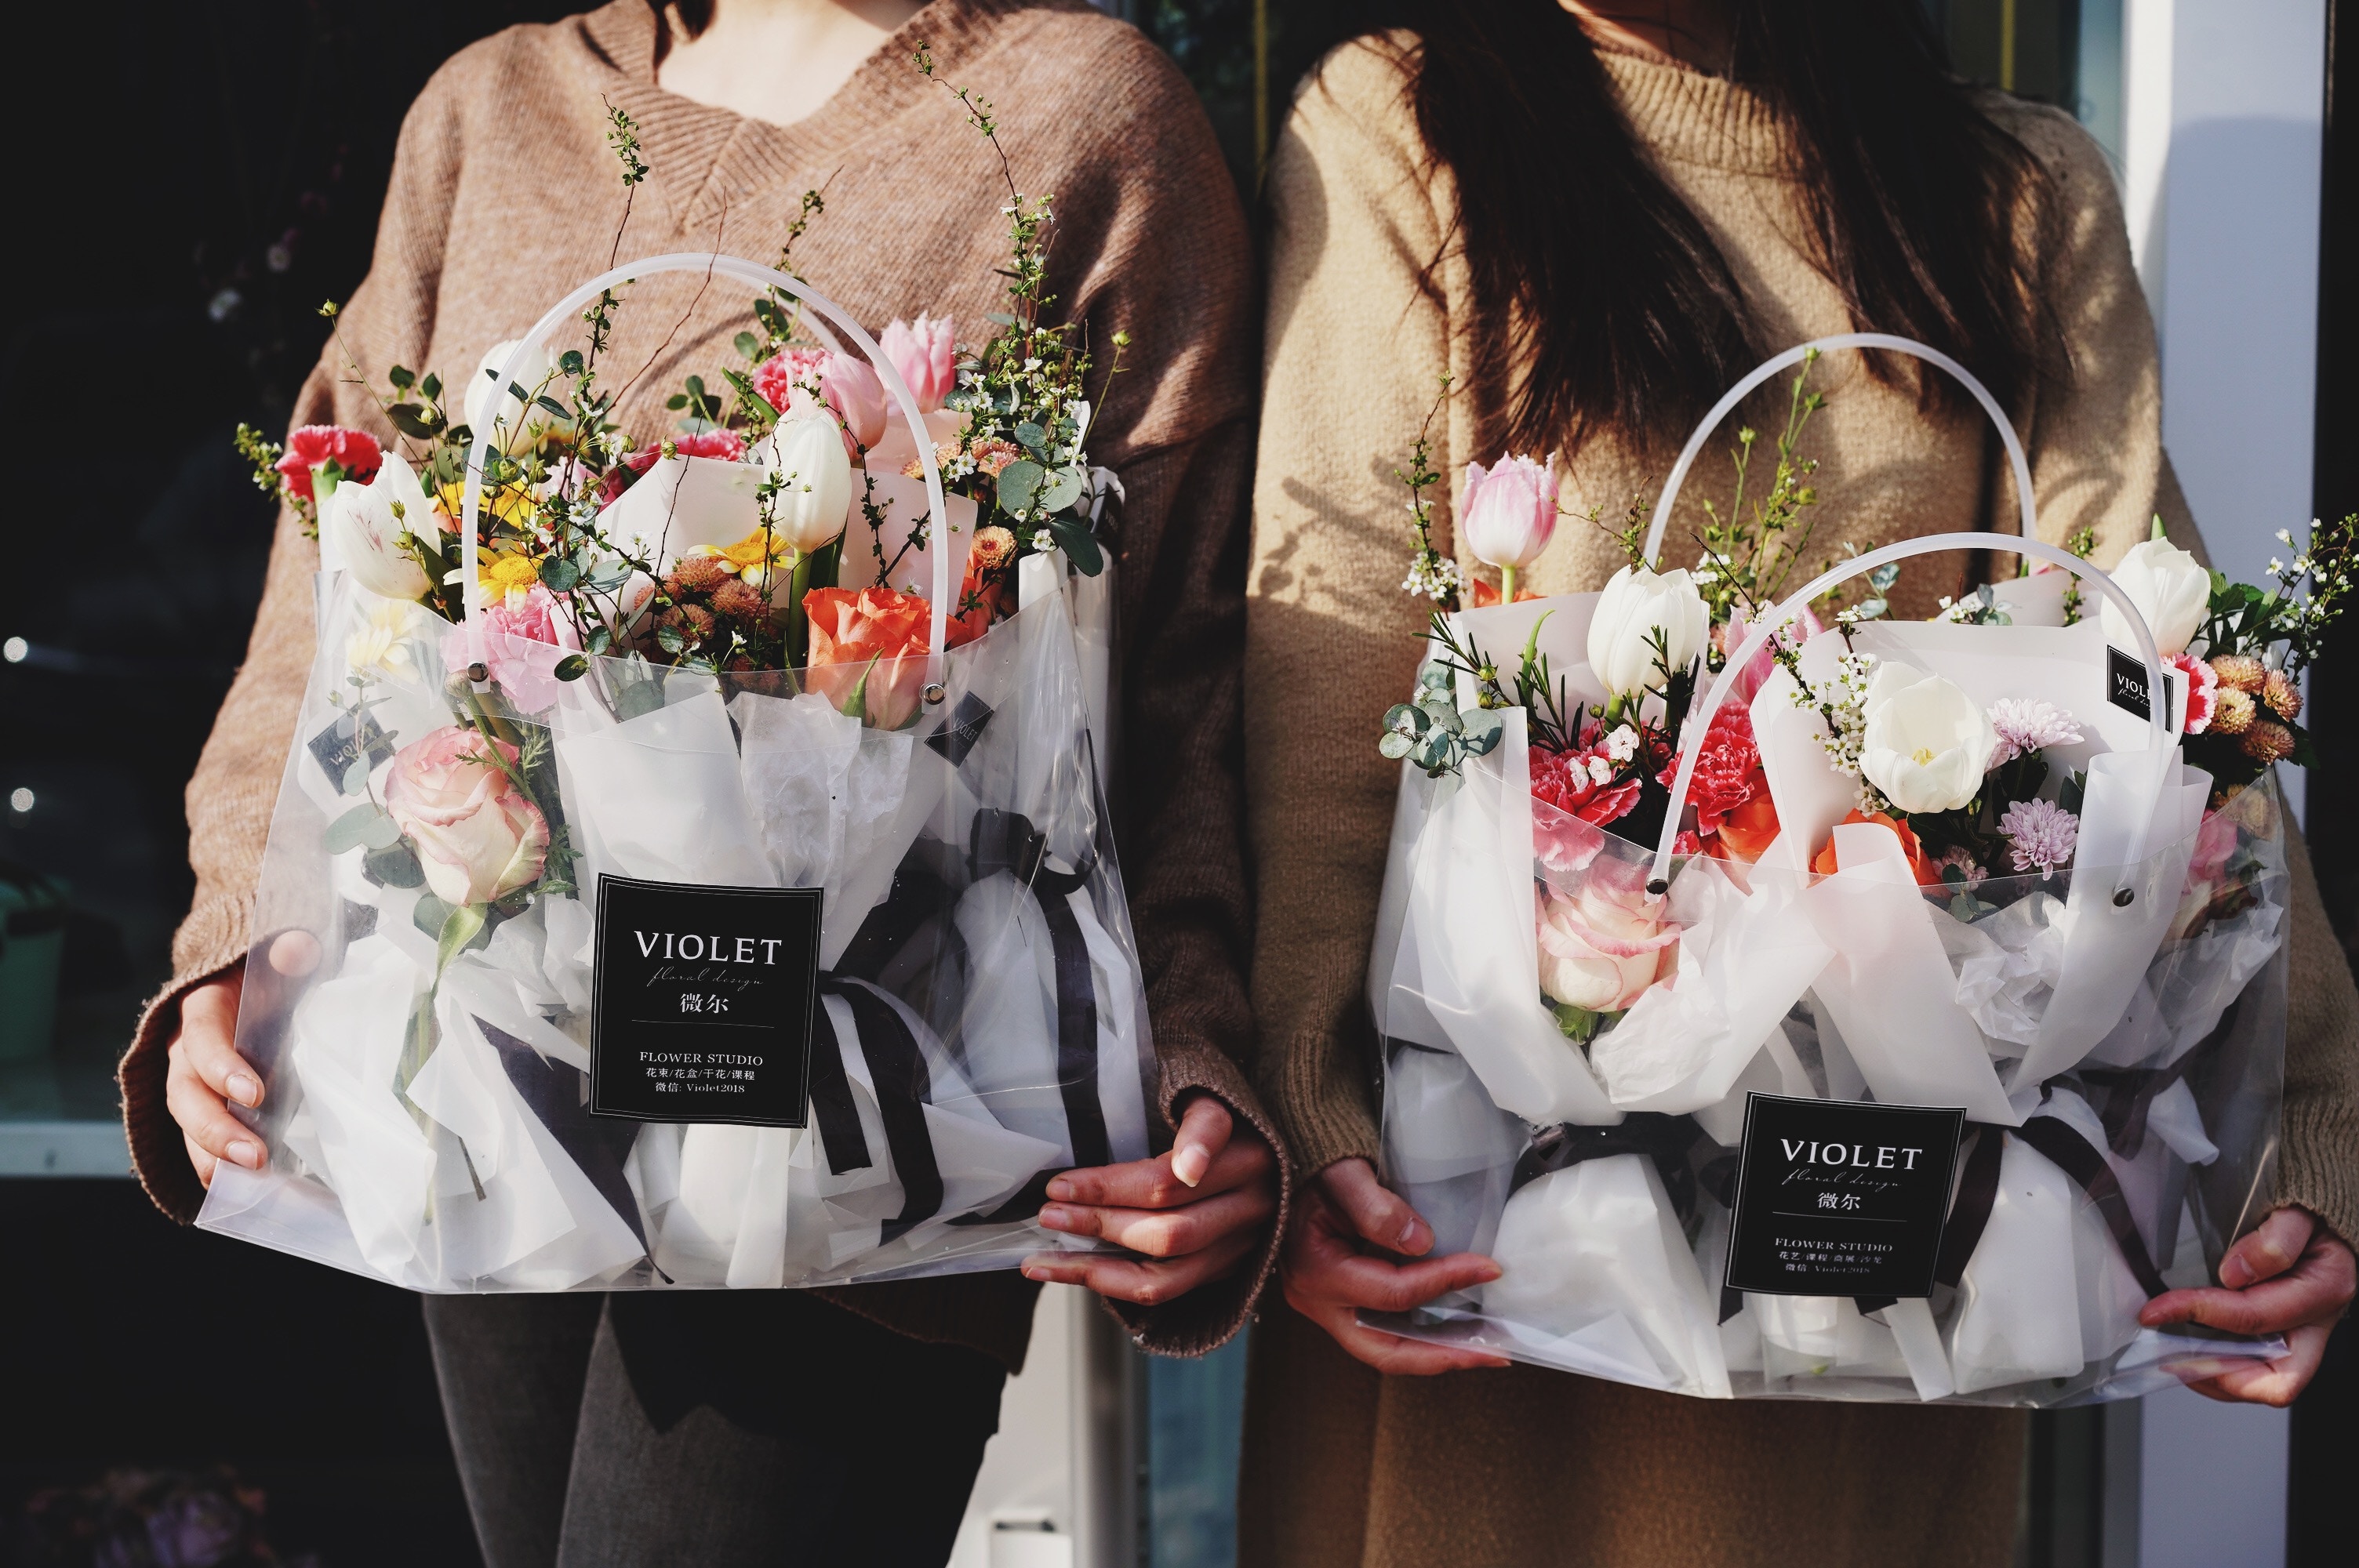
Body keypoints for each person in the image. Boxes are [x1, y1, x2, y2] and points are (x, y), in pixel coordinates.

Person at [123, 2, 1284, 1564]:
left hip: (878, 1119)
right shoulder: (495, 109)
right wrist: (237, 937)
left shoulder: (1085, 113)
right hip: (501, 1074)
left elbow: (1183, 654)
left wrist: (1203, 1042)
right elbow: (335, 559)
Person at [1241, 3, 2359, 1565]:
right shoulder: (1407, 131)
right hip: (1495, 1239)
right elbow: (1331, 680)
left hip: (1882, 1251)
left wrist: (2300, 1144)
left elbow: (2164, 700)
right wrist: (1312, 1118)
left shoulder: (2013, 195)